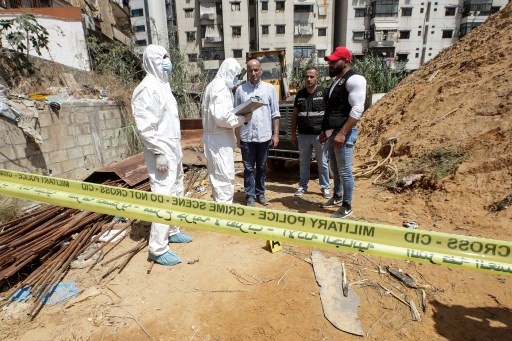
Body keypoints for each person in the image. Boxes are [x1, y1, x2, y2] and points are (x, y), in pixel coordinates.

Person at [131, 44, 193, 266]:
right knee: (164, 195)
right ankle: (157, 248)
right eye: (164, 57)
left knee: (176, 190)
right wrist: (158, 153)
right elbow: (145, 126)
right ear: (154, 61)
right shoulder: (147, 88)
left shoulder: (163, 85)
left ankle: (172, 230)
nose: (168, 61)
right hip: (161, 149)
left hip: (172, 147)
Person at [319, 46, 367, 218]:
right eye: (330, 61)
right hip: (333, 133)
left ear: (346, 61)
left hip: (344, 133)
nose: (331, 64)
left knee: (345, 170)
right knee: (335, 168)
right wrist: (326, 131)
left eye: (334, 61)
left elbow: (357, 110)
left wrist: (342, 133)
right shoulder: (336, 81)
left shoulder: (355, 80)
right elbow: (332, 110)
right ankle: (337, 196)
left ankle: (347, 205)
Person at [202, 58, 252, 203]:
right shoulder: (220, 88)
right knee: (224, 180)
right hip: (219, 142)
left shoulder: (214, 86)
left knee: (219, 179)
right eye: (236, 74)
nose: (237, 78)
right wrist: (243, 119)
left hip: (217, 140)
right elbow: (222, 118)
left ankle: (221, 215)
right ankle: (225, 216)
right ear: (229, 72)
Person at [234, 59, 280, 207]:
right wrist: (237, 137)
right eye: (250, 70)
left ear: (261, 70)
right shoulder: (241, 90)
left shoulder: (270, 89)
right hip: (247, 137)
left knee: (261, 167)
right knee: (248, 168)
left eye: (256, 70)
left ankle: (260, 193)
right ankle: (250, 196)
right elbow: (236, 114)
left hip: (264, 136)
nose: (253, 73)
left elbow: (275, 113)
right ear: (247, 71)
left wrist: (276, 134)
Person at [290, 67, 331, 199]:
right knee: (303, 162)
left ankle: (325, 187)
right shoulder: (300, 94)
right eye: (307, 76)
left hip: (320, 135)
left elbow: (329, 114)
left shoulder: (324, 92)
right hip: (303, 135)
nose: (309, 79)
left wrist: (327, 132)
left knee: (322, 162)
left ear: (316, 78)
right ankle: (303, 185)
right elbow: (295, 115)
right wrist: (293, 134)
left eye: (311, 76)